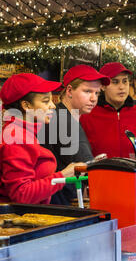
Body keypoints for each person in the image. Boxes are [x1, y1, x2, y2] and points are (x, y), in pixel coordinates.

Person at [0, 73, 86, 204]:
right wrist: (63, 175)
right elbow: (21, 194)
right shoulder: (16, 137)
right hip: (16, 219)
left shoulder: (24, 133)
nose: (53, 106)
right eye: (46, 101)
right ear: (26, 106)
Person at [39, 64, 110, 205]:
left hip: (52, 200)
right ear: (69, 90)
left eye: (97, 93)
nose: (93, 98)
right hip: (58, 204)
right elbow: (88, 168)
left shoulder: (59, 115)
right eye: (87, 91)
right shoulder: (65, 120)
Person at [80, 62, 136, 158]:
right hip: (98, 172)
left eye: (125, 81)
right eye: (115, 82)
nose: (121, 87)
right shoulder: (86, 116)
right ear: (103, 86)